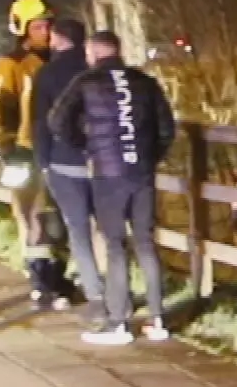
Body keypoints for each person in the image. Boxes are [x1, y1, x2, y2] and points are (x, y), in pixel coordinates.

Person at [47, 30, 176, 346]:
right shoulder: (144, 81)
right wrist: (149, 156)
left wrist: (86, 145)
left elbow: (57, 121)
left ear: (92, 53)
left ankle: (118, 322)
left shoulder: (86, 82)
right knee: (145, 242)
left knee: (115, 245)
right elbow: (166, 128)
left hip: (108, 173)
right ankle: (158, 320)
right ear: (119, 51)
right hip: (141, 172)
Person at [0, 0, 70, 307]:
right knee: (32, 217)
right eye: (37, 25)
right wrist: (7, 147)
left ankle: (58, 277)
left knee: (59, 220)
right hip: (26, 152)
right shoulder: (11, 65)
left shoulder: (61, 62)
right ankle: (40, 281)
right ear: (22, 29)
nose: (45, 31)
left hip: (59, 152)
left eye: (48, 24)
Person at [27, 18, 103, 318]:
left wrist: (43, 160)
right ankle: (114, 285)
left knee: (77, 228)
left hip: (63, 161)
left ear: (57, 40)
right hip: (100, 162)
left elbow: (40, 122)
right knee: (106, 228)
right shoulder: (93, 72)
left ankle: (94, 289)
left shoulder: (46, 75)